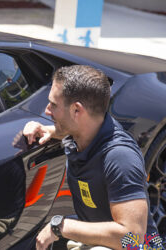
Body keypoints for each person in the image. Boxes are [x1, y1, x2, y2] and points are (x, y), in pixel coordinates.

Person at [23, 65, 158, 250]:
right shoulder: (89, 131)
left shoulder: (119, 157)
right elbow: (74, 130)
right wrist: (46, 129)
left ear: (77, 110)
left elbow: (134, 238)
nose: (47, 110)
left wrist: (62, 226)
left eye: (54, 105)